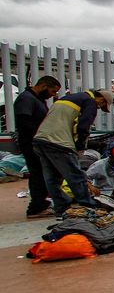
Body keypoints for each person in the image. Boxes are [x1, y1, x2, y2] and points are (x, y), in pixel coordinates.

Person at [32, 89, 112, 219]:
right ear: (101, 99)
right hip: (59, 142)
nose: (98, 108)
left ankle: (61, 208)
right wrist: (80, 146)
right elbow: (83, 126)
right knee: (75, 175)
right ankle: (89, 206)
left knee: (52, 178)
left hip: (41, 140)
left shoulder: (68, 98)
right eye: (100, 106)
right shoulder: (90, 102)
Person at [13, 75, 61, 218]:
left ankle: (40, 203)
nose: (53, 95)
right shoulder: (26, 99)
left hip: (38, 142)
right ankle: (36, 207)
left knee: (42, 173)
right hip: (32, 143)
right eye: (53, 91)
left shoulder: (37, 99)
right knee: (38, 174)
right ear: (44, 86)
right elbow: (24, 122)